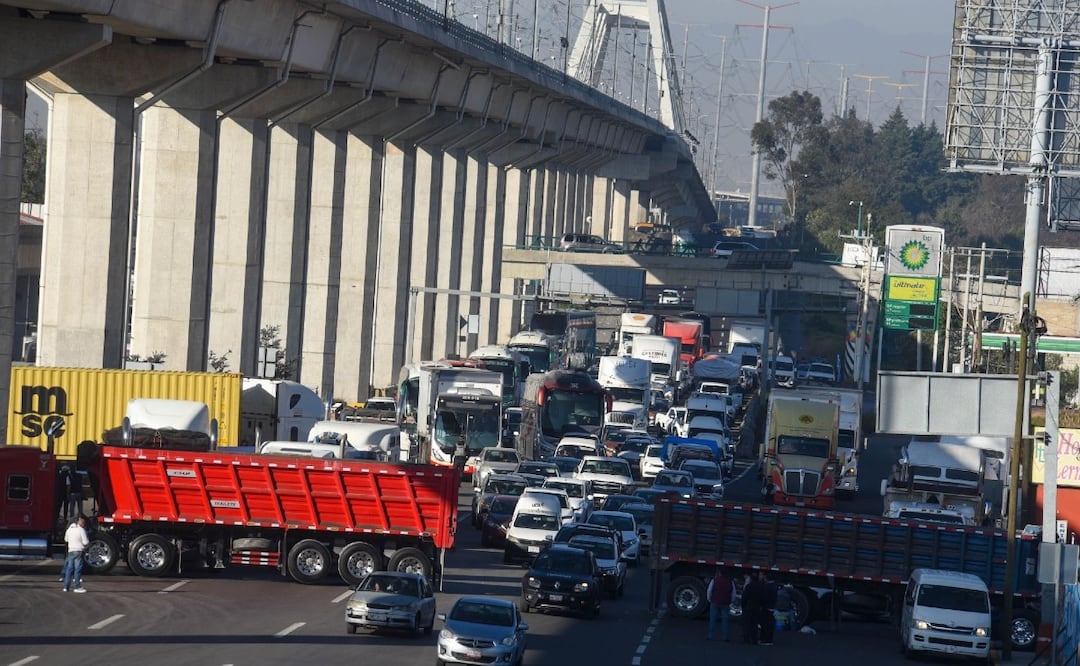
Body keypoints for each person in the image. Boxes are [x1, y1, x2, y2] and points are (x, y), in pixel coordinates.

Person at [706, 568, 735, 641]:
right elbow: (733, 593)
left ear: (720, 573)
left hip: (715, 601)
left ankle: (710, 635)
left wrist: (709, 599)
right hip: (725, 602)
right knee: (725, 620)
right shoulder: (730, 582)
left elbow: (709, 590)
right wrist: (730, 601)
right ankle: (725, 637)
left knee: (713, 618)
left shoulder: (714, 580)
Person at [62, 516, 89, 593]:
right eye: (83, 522)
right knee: (78, 569)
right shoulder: (81, 530)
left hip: (70, 550)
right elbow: (85, 542)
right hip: (78, 551)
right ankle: (77, 586)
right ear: (78, 522)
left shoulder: (69, 530)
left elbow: (66, 539)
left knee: (69, 569)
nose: (83, 524)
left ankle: (66, 587)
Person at [740, 572, 763, 645]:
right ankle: (754, 639)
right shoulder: (761, 586)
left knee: (747, 623)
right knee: (754, 624)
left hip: (749, 606)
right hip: (757, 607)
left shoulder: (749, 586)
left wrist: (743, 605)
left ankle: (746, 639)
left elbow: (744, 597)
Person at [757, 572, 778, 646]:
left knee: (765, 625)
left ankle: (764, 639)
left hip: (766, 607)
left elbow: (763, 598)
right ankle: (769, 639)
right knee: (770, 625)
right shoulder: (774, 586)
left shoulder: (767, 586)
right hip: (772, 607)